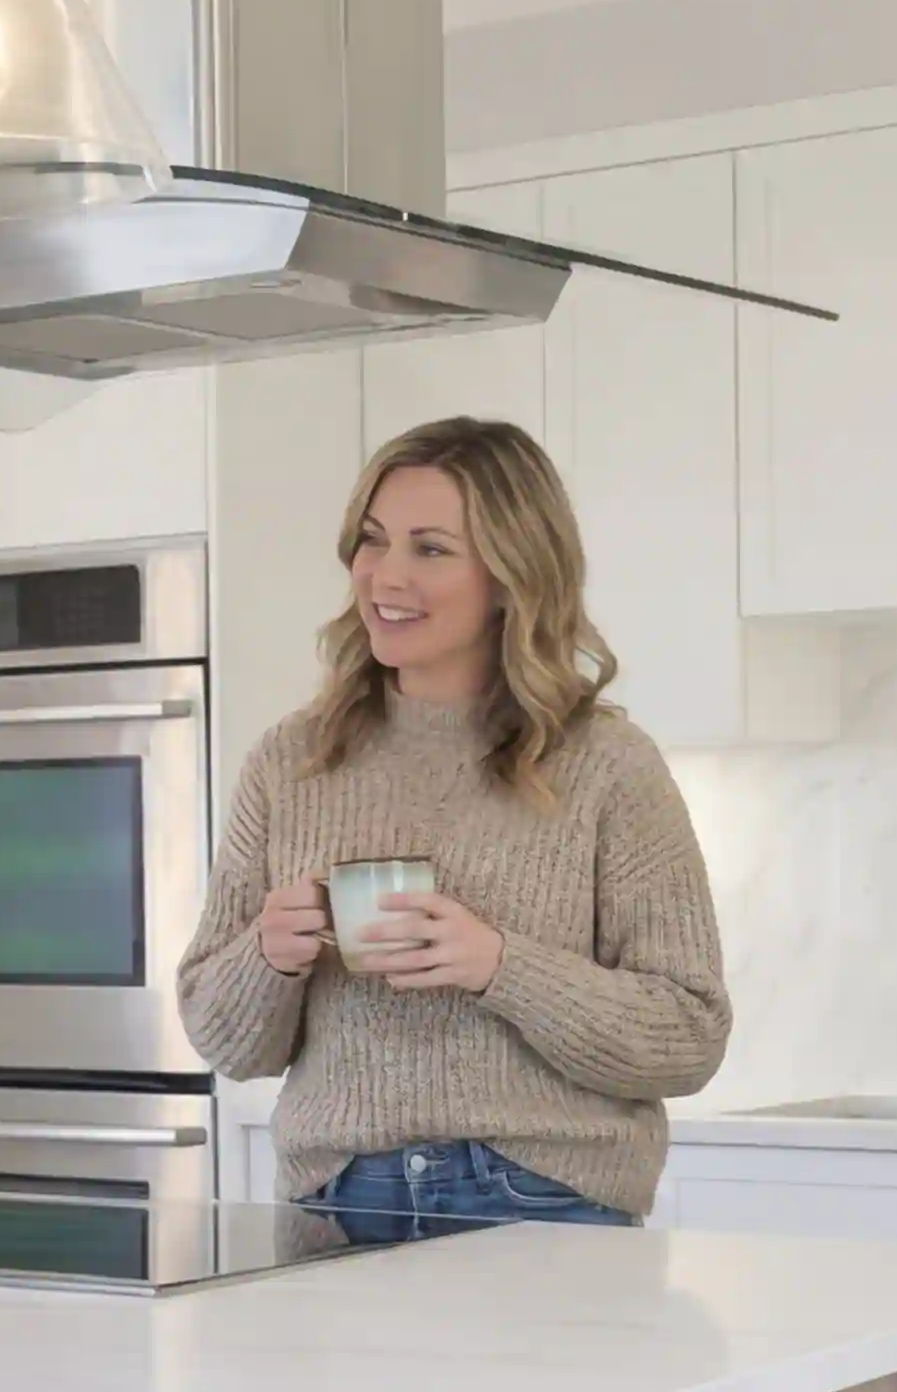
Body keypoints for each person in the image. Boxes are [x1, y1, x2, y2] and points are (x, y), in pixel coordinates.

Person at [177, 414, 730, 1238]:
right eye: (372, 541)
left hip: (544, 1204)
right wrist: (269, 953)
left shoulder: (608, 764)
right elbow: (227, 1043)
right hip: (338, 1208)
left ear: (511, 577)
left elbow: (689, 1036)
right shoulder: (290, 761)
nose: (384, 576)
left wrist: (499, 966)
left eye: (430, 549)